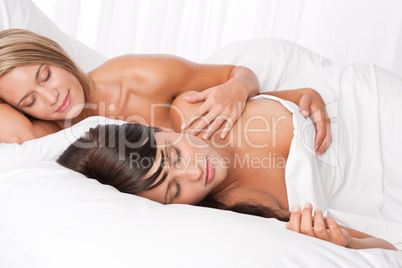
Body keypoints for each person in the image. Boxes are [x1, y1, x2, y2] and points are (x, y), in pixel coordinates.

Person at [57, 89, 397, 251]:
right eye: (174, 191)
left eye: (175, 156)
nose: (193, 173)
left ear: (161, 130)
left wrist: (307, 94)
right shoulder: (244, 210)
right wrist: (346, 242)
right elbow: (390, 248)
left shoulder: (193, 109)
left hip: (372, 102)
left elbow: (280, 89)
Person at [0, 29, 331, 149]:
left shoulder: (138, 76)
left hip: (290, 134)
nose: (51, 97)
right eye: (30, 99)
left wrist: (235, 88)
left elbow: (238, 73)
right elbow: (18, 140)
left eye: (45, 76)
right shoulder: (44, 132)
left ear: (58, 57)